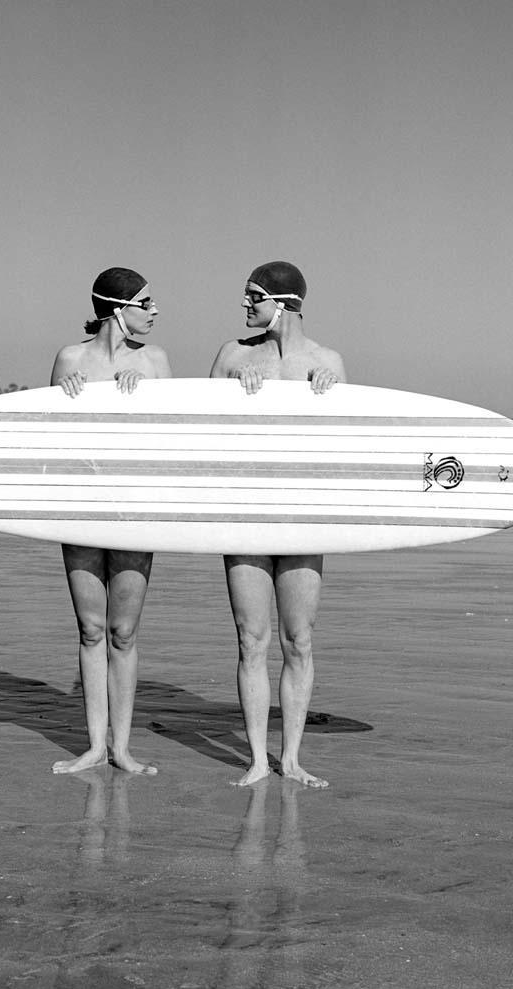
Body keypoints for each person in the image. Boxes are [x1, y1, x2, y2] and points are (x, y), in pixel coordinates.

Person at [210, 261, 346, 788]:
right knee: (251, 638)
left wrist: (332, 392)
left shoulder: (327, 360)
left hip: (303, 511)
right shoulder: (232, 354)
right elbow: (200, 428)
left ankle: (290, 758)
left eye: (254, 297)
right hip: (243, 509)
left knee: (299, 639)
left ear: (284, 303)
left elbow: (339, 445)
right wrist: (230, 388)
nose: (245, 306)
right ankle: (255, 760)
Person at [50, 267, 172, 775]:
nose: (155, 312)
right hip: (79, 507)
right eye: (146, 303)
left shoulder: (158, 362)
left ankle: (122, 748)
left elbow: (174, 437)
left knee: (123, 631)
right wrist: (65, 394)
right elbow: (47, 441)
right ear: (118, 311)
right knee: (90, 628)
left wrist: (146, 392)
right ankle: (95, 747)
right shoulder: (70, 359)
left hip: (134, 508)